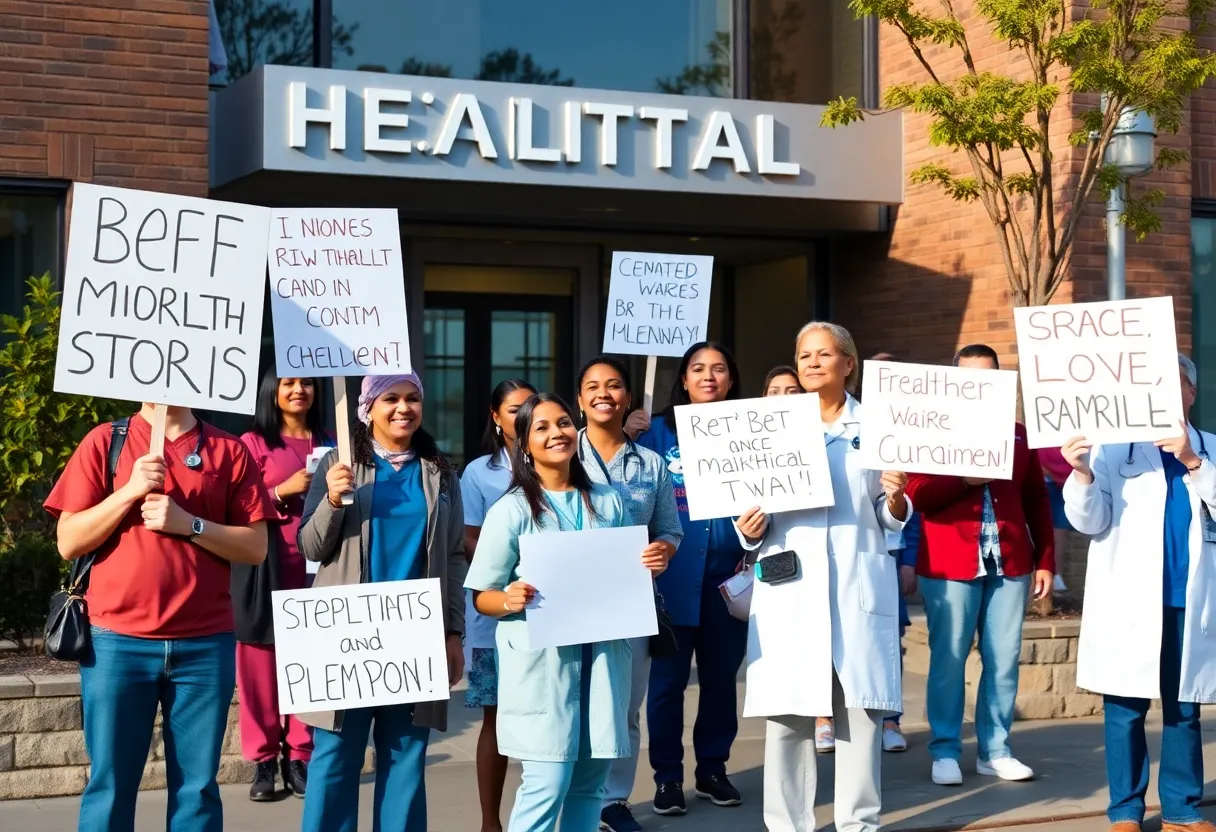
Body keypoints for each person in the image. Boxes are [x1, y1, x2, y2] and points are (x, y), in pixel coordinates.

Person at [46, 403, 271, 832]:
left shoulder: (229, 449)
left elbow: (255, 547)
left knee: (198, 790)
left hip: (205, 645)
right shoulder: (105, 441)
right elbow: (69, 541)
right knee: (109, 785)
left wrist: (190, 525)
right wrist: (128, 492)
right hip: (117, 641)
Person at [735, 321, 910, 832]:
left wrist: (897, 499)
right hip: (789, 589)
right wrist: (747, 528)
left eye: (823, 354)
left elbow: (888, 517)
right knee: (789, 719)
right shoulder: (767, 430)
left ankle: (859, 824)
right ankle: (788, 825)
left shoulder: (879, 426)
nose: (811, 362)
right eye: (803, 355)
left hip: (857, 586)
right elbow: (745, 513)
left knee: (859, 716)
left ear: (848, 364)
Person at [465, 393, 668, 832]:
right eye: (541, 427)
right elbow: (482, 593)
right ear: (524, 444)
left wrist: (650, 563)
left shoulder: (610, 501)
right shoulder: (511, 511)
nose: (555, 433)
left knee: (590, 786)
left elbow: (624, 575)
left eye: (561, 423)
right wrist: (509, 599)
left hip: (603, 662)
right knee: (548, 781)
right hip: (543, 670)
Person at [297, 373, 467, 832]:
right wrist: (332, 498)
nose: (403, 408)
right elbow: (310, 548)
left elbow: (452, 556)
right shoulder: (338, 462)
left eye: (413, 398)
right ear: (367, 408)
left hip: (415, 634)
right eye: (390, 398)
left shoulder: (440, 472)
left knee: (406, 759)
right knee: (334, 757)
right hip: (346, 635)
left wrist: (454, 632)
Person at [1061, 354, 1216, 832]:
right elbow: (1089, 521)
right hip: (1129, 602)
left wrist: (1192, 460)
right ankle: (1125, 811)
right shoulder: (1111, 448)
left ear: (1192, 393)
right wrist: (1082, 473)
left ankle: (1181, 811)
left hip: (1189, 601)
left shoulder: (1210, 447)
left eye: (1178, 386)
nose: (1169, 395)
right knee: (1125, 709)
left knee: (1182, 708)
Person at [905, 344, 1055, 787]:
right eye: (969, 377)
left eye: (988, 376)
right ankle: (946, 749)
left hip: (1010, 561)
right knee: (949, 659)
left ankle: (996, 750)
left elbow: (1036, 501)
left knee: (1004, 658)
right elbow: (918, 496)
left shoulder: (1019, 434)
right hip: (949, 561)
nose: (979, 384)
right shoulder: (932, 429)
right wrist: (965, 480)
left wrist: (1046, 558)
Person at [624, 341, 750, 815]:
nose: (709, 377)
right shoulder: (655, 432)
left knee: (720, 682)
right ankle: (667, 778)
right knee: (667, 686)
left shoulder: (750, 431)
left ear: (732, 379)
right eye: (699, 369)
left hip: (727, 582)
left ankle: (713, 770)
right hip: (669, 582)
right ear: (683, 378)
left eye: (719, 369)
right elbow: (619, 479)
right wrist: (626, 433)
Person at [574, 357, 683, 832]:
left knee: (625, 706)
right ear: (579, 400)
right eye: (593, 386)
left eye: (614, 385)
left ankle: (613, 800)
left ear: (628, 398)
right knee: (571, 702)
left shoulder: (651, 463)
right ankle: (571, 793)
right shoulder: (557, 451)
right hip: (568, 601)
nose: (604, 393)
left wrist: (663, 549)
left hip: (631, 601)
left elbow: (670, 529)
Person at [233, 373, 329, 801]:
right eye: (288, 382)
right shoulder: (251, 444)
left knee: (308, 663)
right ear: (271, 390)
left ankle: (300, 756)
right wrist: (279, 491)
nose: (298, 390)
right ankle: (263, 762)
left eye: (307, 383)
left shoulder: (333, 440)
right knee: (259, 667)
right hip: (265, 570)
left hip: (319, 569)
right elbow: (234, 508)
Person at [461, 378, 538, 832]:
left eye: (531, 406)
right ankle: (491, 821)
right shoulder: (478, 473)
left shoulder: (562, 460)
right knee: (497, 716)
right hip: (496, 614)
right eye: (513, 409)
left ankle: (538, 813)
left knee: (542, 718)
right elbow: (470, 539)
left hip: (549, 614)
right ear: (496, 417)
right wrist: (510, 569)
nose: (523, 415)